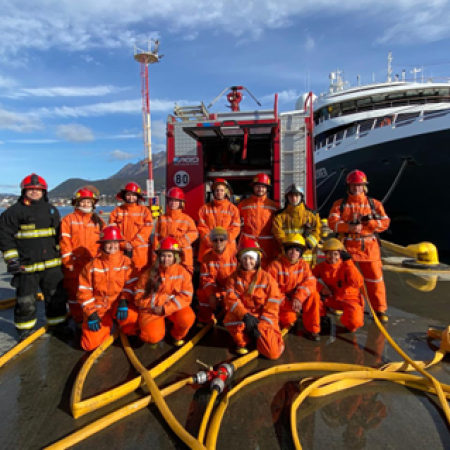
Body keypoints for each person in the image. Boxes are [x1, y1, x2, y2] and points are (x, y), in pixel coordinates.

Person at [0, 173, 69, 340]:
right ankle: (25, 331)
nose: (34, 192)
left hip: (51, 266)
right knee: (25, 301)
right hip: (26, 267)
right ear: (24, 191)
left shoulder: (51, 210)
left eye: (38, 190)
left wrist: (63, 257)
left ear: (44, 192)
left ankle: (58, 326)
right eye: (30, 190)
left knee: (56, 299)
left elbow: (58, 236)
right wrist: (12, 259)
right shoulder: (14, 212)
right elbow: (4, 237)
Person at [328, 170, 390, 322]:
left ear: (364, 187)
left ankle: (379, 309)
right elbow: (332, 223)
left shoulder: (374, 204)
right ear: (349, 187)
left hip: (369, 248)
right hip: (348, 247)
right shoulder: (340, 205)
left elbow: (385, 222)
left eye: (359, 185)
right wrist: (348, 228)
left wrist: (371, 223)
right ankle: (342, 304)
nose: (356, 188)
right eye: (354, 186)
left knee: (375, 279)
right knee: (345, 278)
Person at [77, 226, 139, 351]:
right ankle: (104, 327)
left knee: (132, 317)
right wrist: (91, 313)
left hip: (118, 303)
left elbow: (131, 285)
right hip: (99, 307)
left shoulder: (126, 262)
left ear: (119, 244)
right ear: (102, 245)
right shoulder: (92, 266)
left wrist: (123, 301)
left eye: (115, 243)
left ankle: (129, 331)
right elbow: (83, 291)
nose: (112, 246)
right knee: (89, 345)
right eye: (108, 243)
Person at [224, 236, 284, 358]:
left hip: (262, 319)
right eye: (245, 258)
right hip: (243, 317)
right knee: (238, 334)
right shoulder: (233, 278)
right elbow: (231, 300)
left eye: (251, 258)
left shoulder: (267, 279)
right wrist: (245, 315)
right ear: (240, 260)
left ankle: (263, 338)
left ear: (257, 260)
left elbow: (272, 307)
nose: (248, 262)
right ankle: (245, 340)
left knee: (272, 354)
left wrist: (260, 326)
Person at [134, 237, 195, 347]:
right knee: (151, 337)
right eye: (163, 255)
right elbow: (138, 298)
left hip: (172, 308)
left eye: (169, 256)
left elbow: (187, 296)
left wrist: (165, 309)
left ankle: (176, 335)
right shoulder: (148, 274)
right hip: (152, 310)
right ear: (158, 257)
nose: (166, 259)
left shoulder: (182, 273)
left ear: (175, 257)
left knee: (187, 318)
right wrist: (159, 301)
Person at [60, 186, 105, 324]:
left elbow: (106, 242)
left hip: (93, 263)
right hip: (75, 265)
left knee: (94, 291)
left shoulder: (98, 221)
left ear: (93, 204)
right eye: (83, 201)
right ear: (76, 202)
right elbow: (64, 241)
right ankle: (79, 319)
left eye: (88, 202)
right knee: (74, 293)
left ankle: (94, 315)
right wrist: (68, 262)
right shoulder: (68, 220)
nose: (86, 204)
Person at [267, 234, 323, 341]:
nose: (294, 253)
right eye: (291, 249)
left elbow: (310, 282)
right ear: (285, 250)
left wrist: (298, 297)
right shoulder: (274, 266)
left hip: (296, 297)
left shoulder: (303, 265)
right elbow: (271, 290)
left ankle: (313, 329)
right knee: (289, 320)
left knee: (314, 295)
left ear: (301, 252)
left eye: (297, 250)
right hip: (282, 301)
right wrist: (288, 303)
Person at [313, 238, 365, 333]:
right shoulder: (321, 267)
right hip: (332, 298)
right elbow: (308, 278)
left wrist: (349, 263)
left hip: (350, 300)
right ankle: (322, 318)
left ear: (340, 255)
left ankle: (349, 323)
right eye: (329, 254)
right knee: (314, 297)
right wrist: (320, 288)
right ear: (325, 255)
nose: (332, 257)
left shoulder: (347, 266)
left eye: (336, 254)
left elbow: (357, 282)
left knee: (354, 323)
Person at [109, 182, 153, 275]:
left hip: (140, 253)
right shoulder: (117, 211)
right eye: (128, 194)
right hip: (121, 251)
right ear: (124, 196)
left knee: (140, 277)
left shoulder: (144, 211)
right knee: (121, 275)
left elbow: (147, 229)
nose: (131, 197)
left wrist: (134, 243)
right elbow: (112, 230)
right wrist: (123, 244)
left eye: (133, 195)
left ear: (137, 197)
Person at [273, 183, 322, 266]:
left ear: (301, 197)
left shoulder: (312, 215)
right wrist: (288, 245)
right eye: (291, 196)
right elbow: (278, 233)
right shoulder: (279, 216)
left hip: (306, 253)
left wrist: (310, 243)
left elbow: (317, 231)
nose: (294, 198)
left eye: (296, 195)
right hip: (288, 253)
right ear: (287, 198)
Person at [196, 227, 238, 325]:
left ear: (226, 241)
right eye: (215, 240)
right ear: (211, 242)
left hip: (231, 289)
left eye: (221, 239)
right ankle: (205, 319)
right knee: (202, 294)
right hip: (216, 288)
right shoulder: (207, 257)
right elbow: (206, 279)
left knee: (231, 306)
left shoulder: (235, 255)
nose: (218, 242)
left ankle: (231, 316)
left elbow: (239, 279)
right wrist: (211, 295)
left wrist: (229, 293)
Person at [152, 187, 198, 275]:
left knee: (183, 281)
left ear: (181, 203)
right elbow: (156, 239)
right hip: (166, 258)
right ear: (168, 201)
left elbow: (194, 233)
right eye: (171, 200)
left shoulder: (187, 219)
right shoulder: (162, 219)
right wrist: (155, 257)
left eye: (176, 200)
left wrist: (179, 243)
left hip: (183, 257)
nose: (173, 203)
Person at [238, 173, 279, 268]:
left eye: (263, 187)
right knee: (248, 268)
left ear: (267, 188)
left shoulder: (273, 206)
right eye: (258, 186)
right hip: (248, 242)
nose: (260, 189)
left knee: (267, 270)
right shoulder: (243, 205)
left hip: (268, 245)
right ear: (253, 187)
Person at [197, 178, 240, 262]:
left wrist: (222, 243)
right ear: (213, 192)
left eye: (221, 190)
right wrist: (211, 242)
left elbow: (235, 228)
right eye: (217, 190)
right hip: (208, 248)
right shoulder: (204, 209)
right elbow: (201, 227)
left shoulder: (233, 209)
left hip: (228, 249)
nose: (219, 193)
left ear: (226, 192)